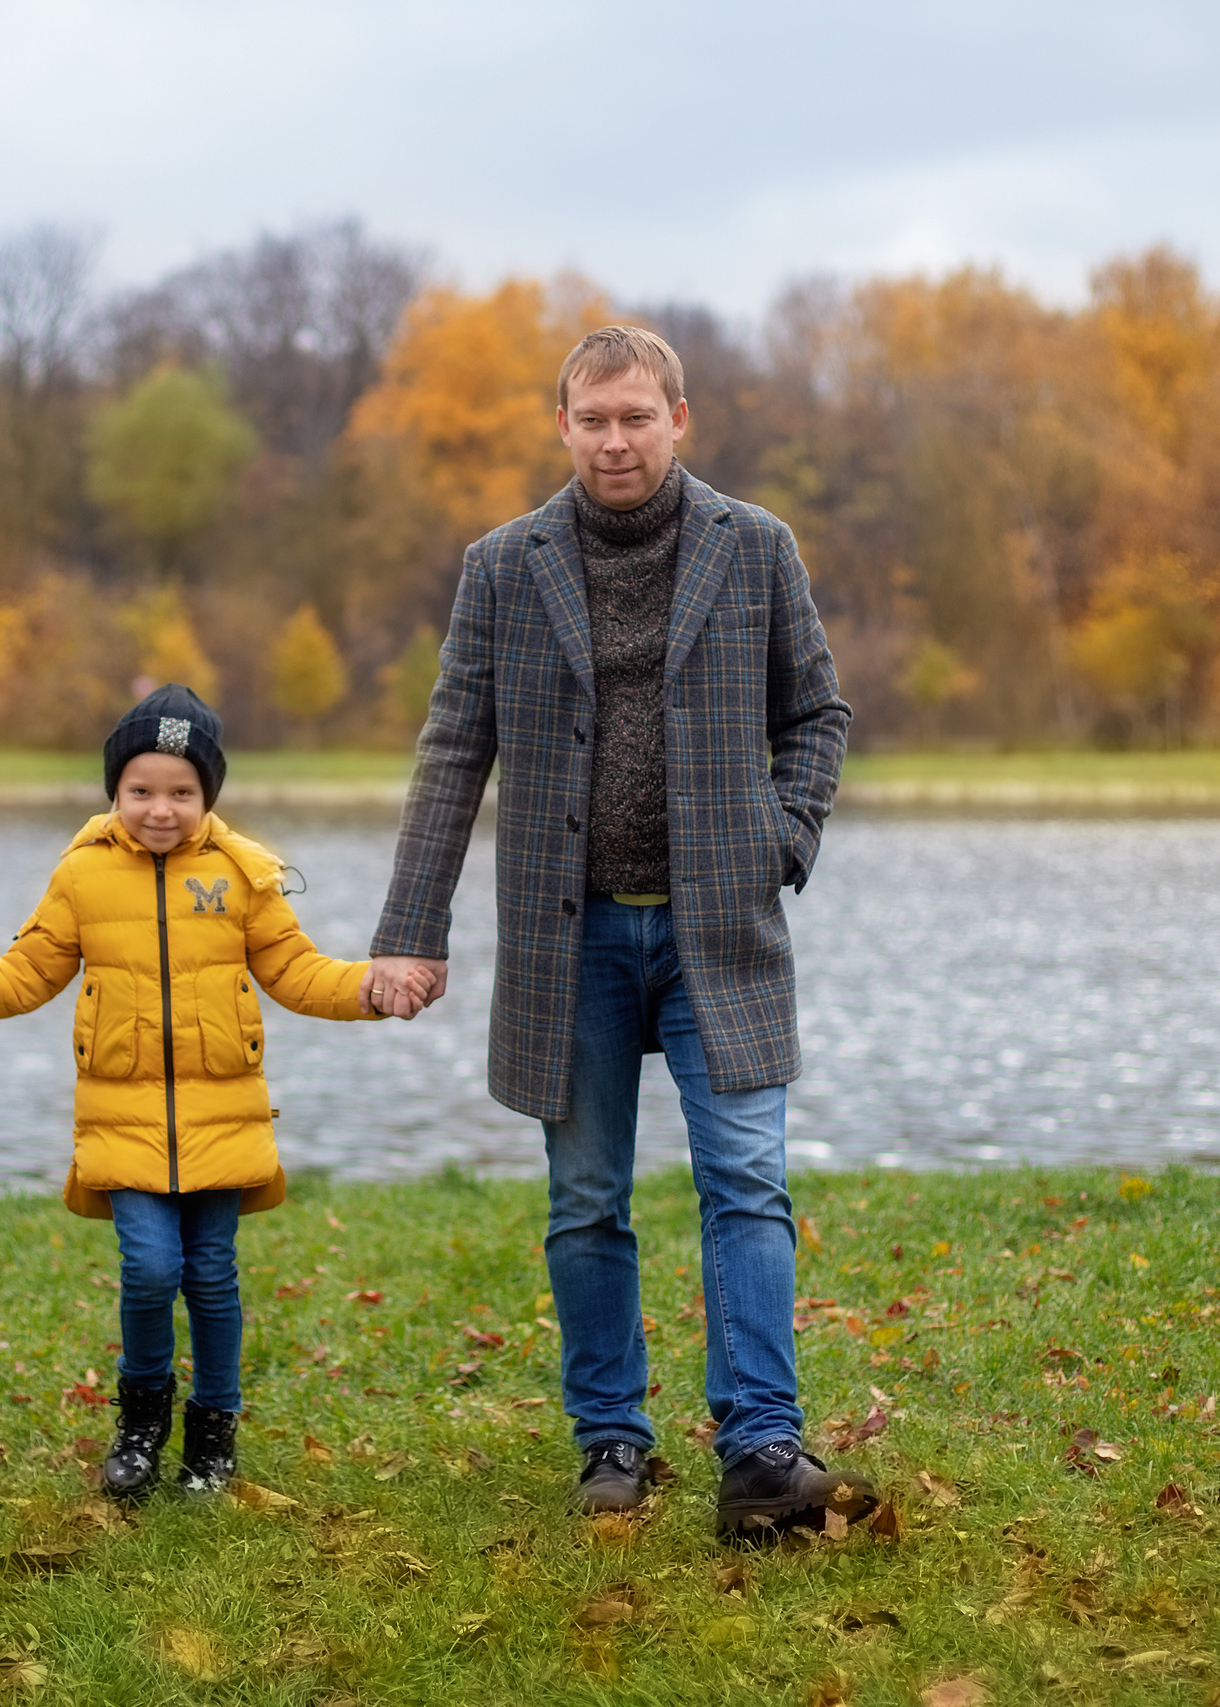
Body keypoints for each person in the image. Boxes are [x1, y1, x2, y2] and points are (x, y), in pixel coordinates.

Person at [364, 325, 866, 1541]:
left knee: (745, 1181)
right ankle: (612, 1443)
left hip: (718, 933)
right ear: (563, 428)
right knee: (586, 1197)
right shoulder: (502, 566)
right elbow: (451, 752)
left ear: (677, 420)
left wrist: (782, 839)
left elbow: (816, 713)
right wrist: (406, 927)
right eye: (593, 420)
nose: (615, 440)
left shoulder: (754, 549)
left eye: (637, 417)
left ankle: (758, 1451)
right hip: (566, 939)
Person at [0, 685, 430, 1499]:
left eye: (182, 792)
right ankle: (141, 1421)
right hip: (122, 1117)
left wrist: (370, 986)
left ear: (207, 795)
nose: (160, 808)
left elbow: (297, 971)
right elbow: (27, 971)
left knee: (212, 1275)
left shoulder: (243, 873)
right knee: (150, 1269)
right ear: (115, 790)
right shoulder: (81, 875)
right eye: (141, 790)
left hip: (225, 1116)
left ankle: (213, 1431)